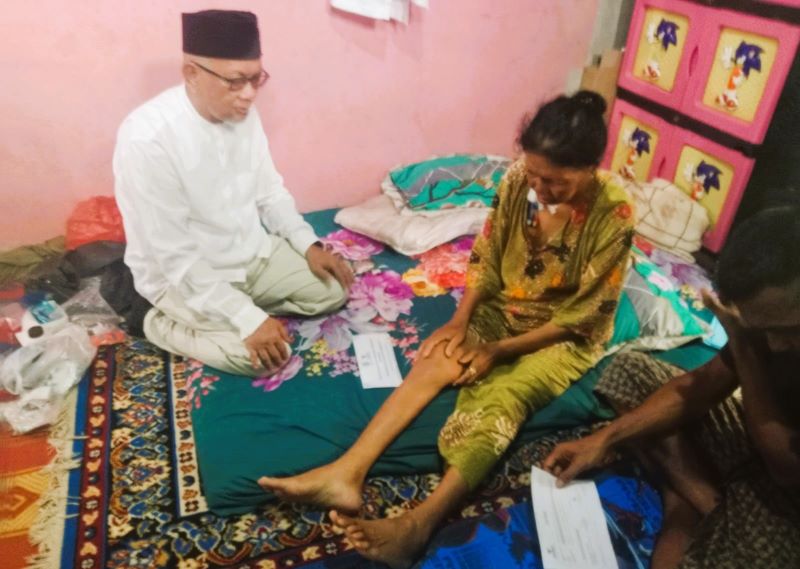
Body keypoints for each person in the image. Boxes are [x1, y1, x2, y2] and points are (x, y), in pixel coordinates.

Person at [259, 91, 636, 567]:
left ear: (590, 169)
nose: (540, 188)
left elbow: (586, 315)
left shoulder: (614, 212)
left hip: (562, 334)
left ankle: (419, 524)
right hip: (507, 306)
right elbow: (487, 255)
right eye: (535, 174)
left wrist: (498, 351)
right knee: (440, 355)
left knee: (504, 399)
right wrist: (460, 322)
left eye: (556, 181)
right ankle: (346, 472)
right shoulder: (519, 180)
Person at [544, 205, 800, 569]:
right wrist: (603, 440)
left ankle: (691, 503)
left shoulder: (756, 340)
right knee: (629, 371)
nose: (774, 344)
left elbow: (786, 468)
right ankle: (700, 498)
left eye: (787, 330)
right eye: (762, 330)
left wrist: (745, 348)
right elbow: (702, 386)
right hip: (756, 442)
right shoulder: (766, 325)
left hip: (788, 483)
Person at [113, 10, 353, 377]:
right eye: (236, 82)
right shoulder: (147, 139)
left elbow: (269, 192)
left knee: (334, 290)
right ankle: (149, 317)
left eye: (257, 79)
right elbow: (175, 256)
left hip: (249, 256)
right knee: (264, 359)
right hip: (182, 276)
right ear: (191, 73)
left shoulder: (243, 113)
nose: (249, 94)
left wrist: (307, 244)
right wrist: (247, 318)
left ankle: (231, 310)